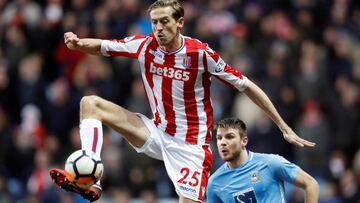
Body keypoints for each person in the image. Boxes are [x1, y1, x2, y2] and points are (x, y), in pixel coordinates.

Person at [49, 0, 315, 202]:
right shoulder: (144, 46)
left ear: (180, 23)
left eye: (164, 21)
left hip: (191, 148)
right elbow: (104, 46)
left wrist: (283, 126)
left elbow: (247, 86)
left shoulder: (200, 54)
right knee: (90, 103)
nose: (158, 28)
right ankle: (90, 176)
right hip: (156, 132)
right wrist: (78, 42)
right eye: (154, 22)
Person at [207, 118, 319, 203]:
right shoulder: (214, 183)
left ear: (244, 141)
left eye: (230, 137)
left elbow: (310, 184)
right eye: (219, 138)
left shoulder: (271, 163)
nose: (222, 142)